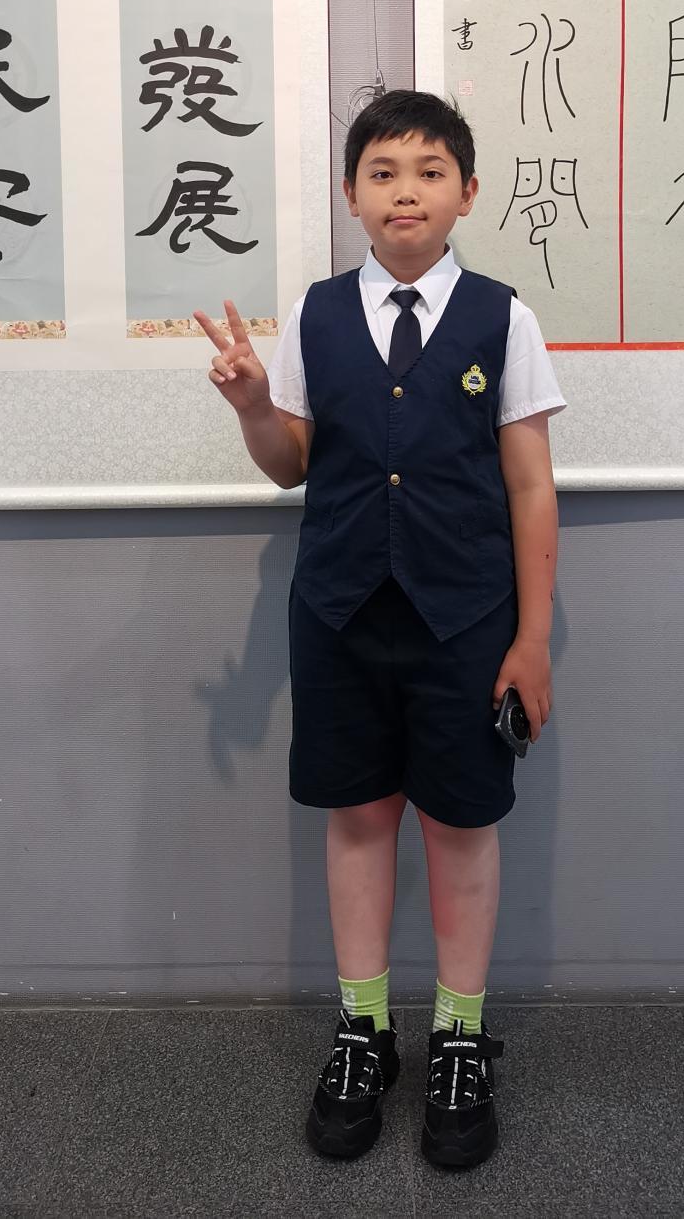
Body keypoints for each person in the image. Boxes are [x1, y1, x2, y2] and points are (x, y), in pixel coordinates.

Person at [194, 89, 564, 1170]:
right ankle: (364, 1032)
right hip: (340, 616)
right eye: (384, 172)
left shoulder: (503, 318)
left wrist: (531, 638)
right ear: (351, 193)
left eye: (430, 171)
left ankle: (458, 1037)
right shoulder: (314, 317)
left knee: (460, 825)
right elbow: (291, 464)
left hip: (467, 624)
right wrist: (253, 406)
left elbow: (531, 488)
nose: (407, 191)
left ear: (467, 193)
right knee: (358, 818)